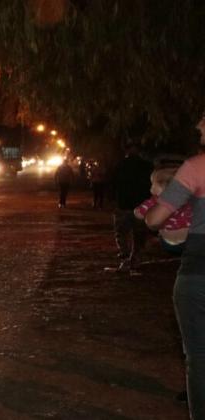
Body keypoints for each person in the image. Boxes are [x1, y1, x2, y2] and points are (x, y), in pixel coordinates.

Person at [145, 115, 205, 419]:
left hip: (199, 274)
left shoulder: (196, 167)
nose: (198, 128)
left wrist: (147, 217)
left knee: (199, 357)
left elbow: (156, 218)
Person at [112, 143, 153, 272]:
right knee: (139, 233)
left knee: (122, 232)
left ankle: (125, 256)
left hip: (124, 204)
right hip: (141, 204)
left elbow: (113, 183)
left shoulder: (120, 165)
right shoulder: (147, 166)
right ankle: (135, 259)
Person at [134, 167, 191, 255]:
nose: (151, 188)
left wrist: (137, 212)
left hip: (169, 239)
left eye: (153, 184)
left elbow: (140, 213)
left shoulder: (156, 200)